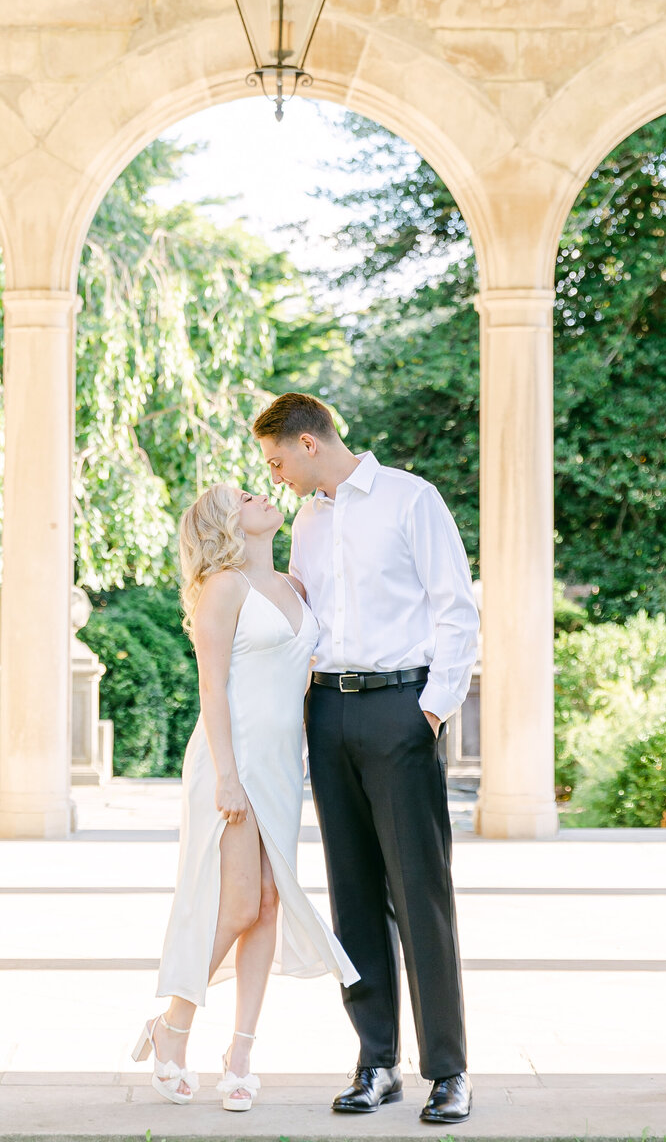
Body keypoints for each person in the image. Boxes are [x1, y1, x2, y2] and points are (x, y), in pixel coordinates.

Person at [254, 392, 478, 1126]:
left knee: (421, 894)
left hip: (400, 709)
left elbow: (455, 609)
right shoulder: (309, 522)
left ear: (309, 443)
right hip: (330, 709)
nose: (276, 476)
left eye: (278, 460)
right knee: (352, 895)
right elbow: (309, 615)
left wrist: (433, 710)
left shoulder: (413, 500)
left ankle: (447, 1071)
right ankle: (376, 1062)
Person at [135, 481, 358, 1108]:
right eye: (246, 497)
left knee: (267, 903)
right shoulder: (222, 587)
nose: (263, 496)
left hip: (284, 764)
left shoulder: (295, 587)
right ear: (227, 524)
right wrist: (228, 774)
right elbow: (212, 690)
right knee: (236, 903)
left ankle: (240, 1055)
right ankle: (171, 1028)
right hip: (229, 760)